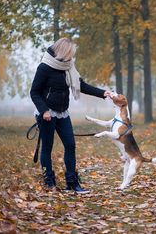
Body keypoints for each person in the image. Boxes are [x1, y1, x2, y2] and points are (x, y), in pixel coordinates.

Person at [30, 37, 111, 193]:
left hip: (62, 112)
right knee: (47, 147)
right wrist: (44, 110)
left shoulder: (68, 67)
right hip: (46, 113)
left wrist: (103, 93)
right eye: (70, 53)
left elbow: (81, 85)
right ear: (62, 52)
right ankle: (49, 181)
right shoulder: (45, 67)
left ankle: (72, 183)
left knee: (70, 145)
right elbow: (34, 92)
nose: (71, 57)